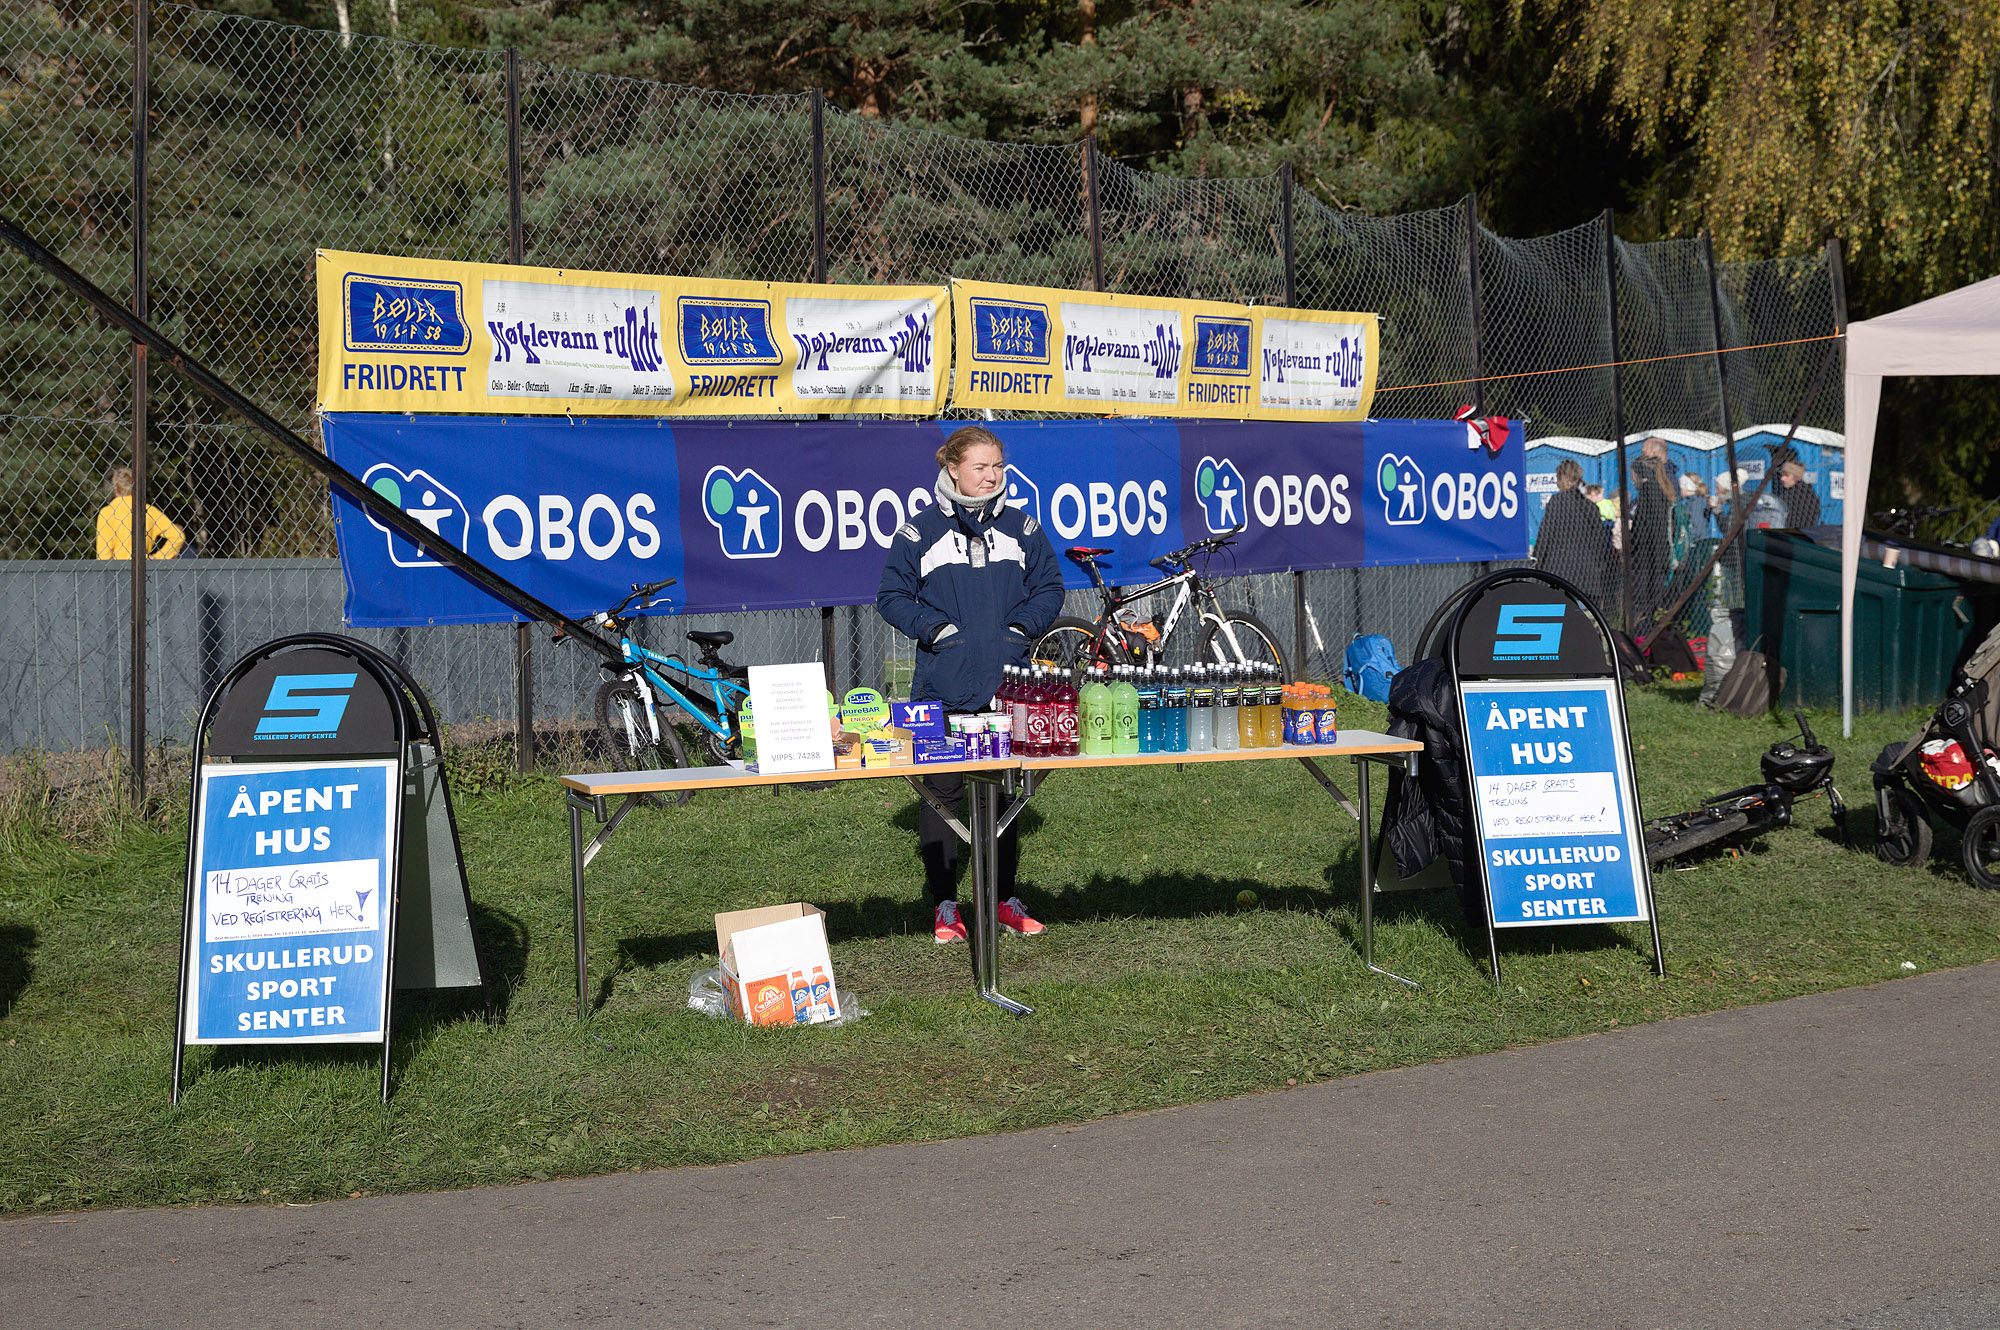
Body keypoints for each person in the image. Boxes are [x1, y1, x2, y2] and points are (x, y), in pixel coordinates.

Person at [878, 426, 1064, 945]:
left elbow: (1050, 587)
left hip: (1007, 686)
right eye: (980, 467)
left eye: (997, 466)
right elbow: (891, 596)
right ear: (953, 468)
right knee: (942, 795)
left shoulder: (1023, 528)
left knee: (1005, 796)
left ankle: (1004, 899)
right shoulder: (919, 531)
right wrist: (936, 630)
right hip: (943, 688)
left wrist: (1020, 628)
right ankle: (945, 906)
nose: (991, 476)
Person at [1531, 459, 1609, 609]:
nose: (1557, 484)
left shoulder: (1557, 502)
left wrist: (1537, 559)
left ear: (1563, 478)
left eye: (1557, 479)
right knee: (1582, 616)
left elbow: (1545, 533)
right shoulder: (1590, 506)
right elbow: (1600, 541)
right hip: (1587, 576)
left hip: (1559, 572)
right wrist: (1599, 565)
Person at [95, 467, 184, 560]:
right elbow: (178, 536)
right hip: (143, 564)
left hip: (117, 566)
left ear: (115, 488)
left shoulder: (107, 512)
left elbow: (103, 554)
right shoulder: (148, 510)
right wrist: (157, 558)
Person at [1775, 459, 1821, 528]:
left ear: (1796, 477)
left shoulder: (1791, 496)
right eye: (1782, 475)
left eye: (1786, 475)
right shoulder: (1810, 493)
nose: (1782, 478)